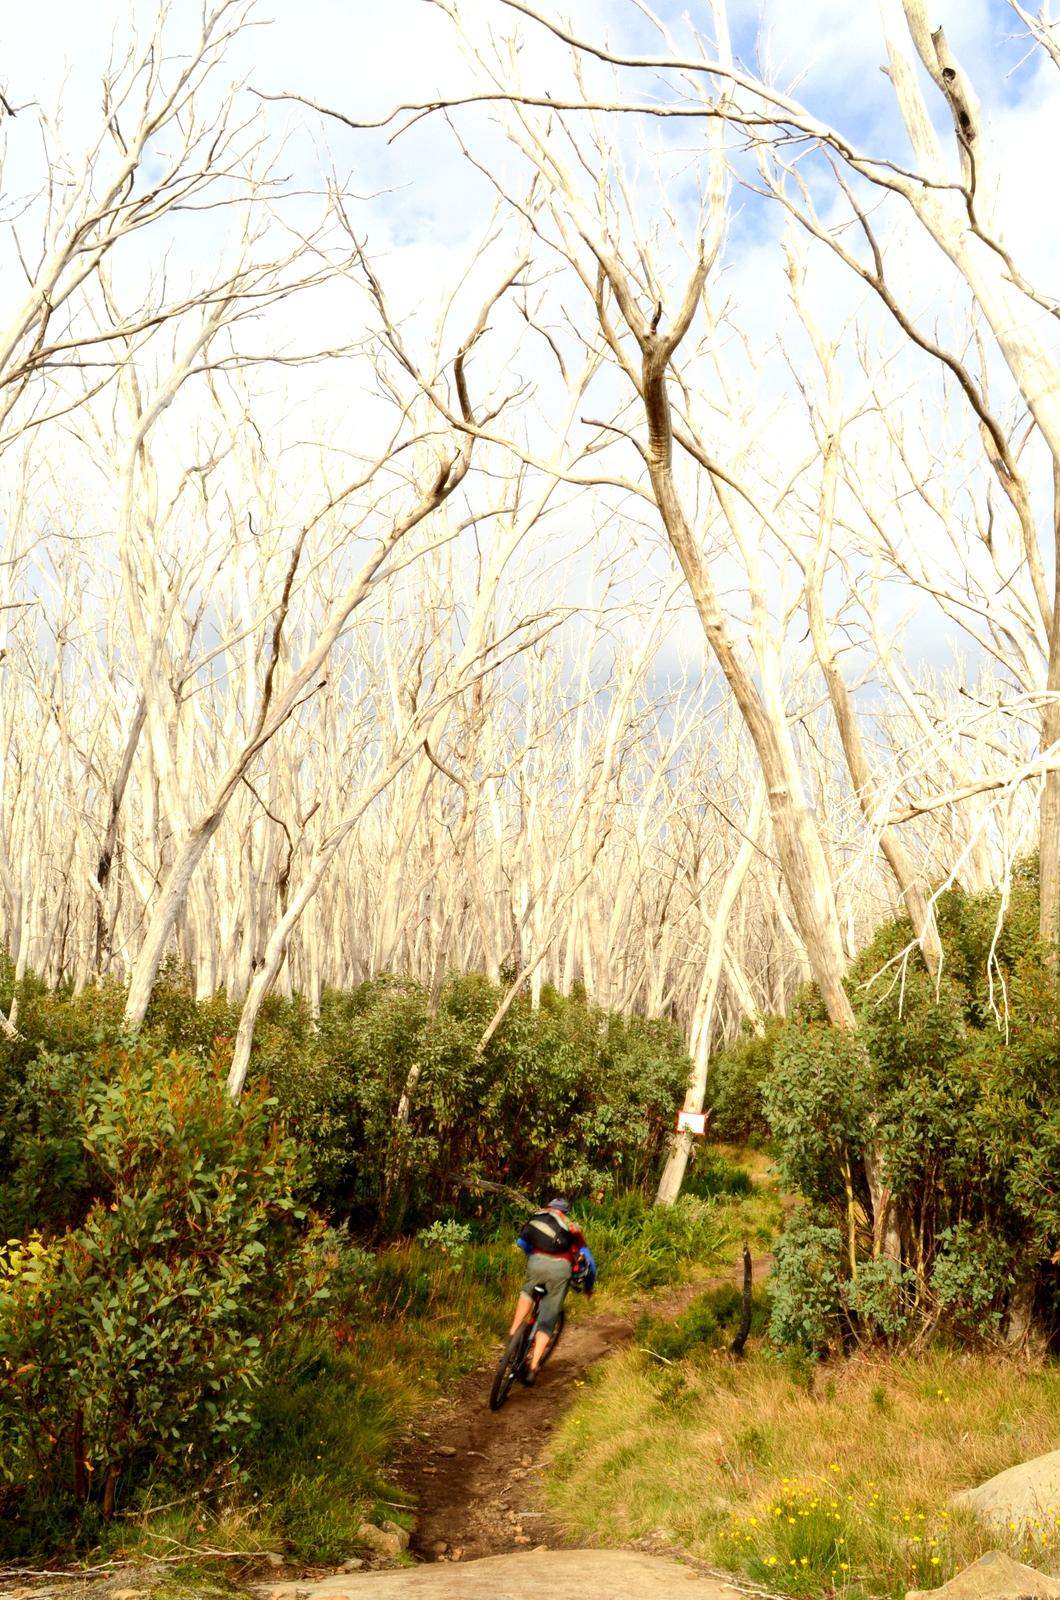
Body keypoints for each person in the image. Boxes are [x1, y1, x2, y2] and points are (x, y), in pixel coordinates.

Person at [509, 1196, 596, 1384]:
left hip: (536, 1263)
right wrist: (589, 1288)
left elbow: (522, 1243)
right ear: (565, 1212)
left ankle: (513, 1332)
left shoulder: (538, 1217)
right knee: (547, 1320)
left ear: (549, 1208)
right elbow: (591, 1265)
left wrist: (534, 1256)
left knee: (527, 1292)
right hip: (560, 1270)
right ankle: (533, 1368)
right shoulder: (571, 1228)